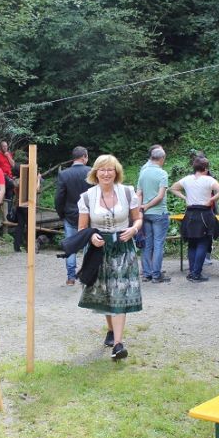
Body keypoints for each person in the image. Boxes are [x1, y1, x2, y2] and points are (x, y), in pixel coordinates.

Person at [76, 154, 143, 360]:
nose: (106, 173)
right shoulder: (87, 196)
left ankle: (118, 344)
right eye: (102, 169)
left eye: (110, 169)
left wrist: (133, 230)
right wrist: (92, 237)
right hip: (99, 250)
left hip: (123, 248)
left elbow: (138, 218)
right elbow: (82, 228)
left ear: (116, 172)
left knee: (119, 293)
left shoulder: (127, 192)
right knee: (106, 292)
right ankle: (111, 329)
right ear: (96, 173)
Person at [168, 157, 219, 282]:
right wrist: (211, 200)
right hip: (204, 213)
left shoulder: (187, 179)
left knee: (192, 244)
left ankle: (192, 272)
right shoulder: (209, 179)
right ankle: (196, 274)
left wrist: (185, 198)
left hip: (190, 213)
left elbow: (172, 188)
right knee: (203, 243)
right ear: (205, 168)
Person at [54, 147, 91, 285]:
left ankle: (71, 277)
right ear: (84, 157)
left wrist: (61, 213)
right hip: (88, 215)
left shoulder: (64, 174)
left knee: (70, 245)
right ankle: (87, 274)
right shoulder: (91, 172)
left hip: (70, 214)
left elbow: (59, 197)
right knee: (89, 245)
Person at [136, 147, 170, 283]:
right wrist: (148, 205)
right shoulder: (162, 174)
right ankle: (156, 275)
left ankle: (146, 274)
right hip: (159, 213)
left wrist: (140, 209)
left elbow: (138, 193)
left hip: (146, 215)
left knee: (147, 245)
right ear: (162, 159)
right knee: (158, 244)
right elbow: (160, 196)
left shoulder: (143, 173)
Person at [0, 141, 15, 220]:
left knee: (10, 193)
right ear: (1, 147)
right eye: (3, 146)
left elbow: (13, 165)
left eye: (6, 146)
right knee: (11, 185)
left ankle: (8, 213)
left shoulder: (9, 154)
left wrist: (8, 156)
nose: (5, 148)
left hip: (9, 176)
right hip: (1, 176)